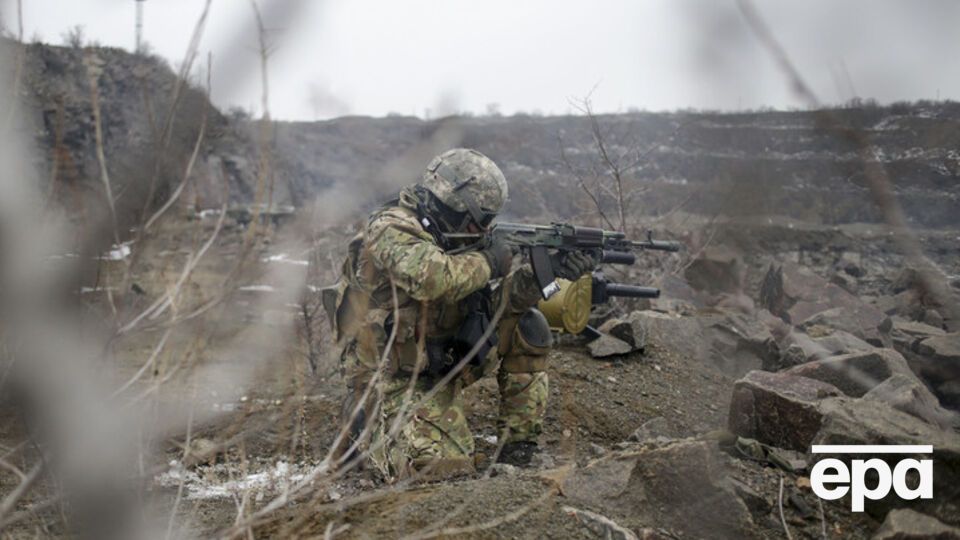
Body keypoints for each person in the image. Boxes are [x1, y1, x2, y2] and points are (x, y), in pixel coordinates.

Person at [327, 148, 595, 481]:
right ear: (453, 207)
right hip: (390, 375)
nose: (485, 228)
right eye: (481, 219)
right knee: (440, 473)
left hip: (444, 353)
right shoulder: (390, 228)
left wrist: (549, 271)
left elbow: (502, 302)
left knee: (529, 325)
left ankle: (518, 448)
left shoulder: (456, 235)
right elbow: (433, 279)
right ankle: (362, 427)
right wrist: (491, 260)